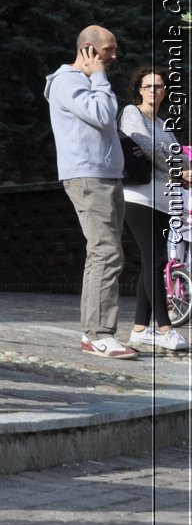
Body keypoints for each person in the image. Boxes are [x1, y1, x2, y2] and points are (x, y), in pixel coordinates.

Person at [43, 26, 137, 360]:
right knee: (106, 252)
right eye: (108, 50)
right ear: (89, 49)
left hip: (106, 176)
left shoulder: (85, 83)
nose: (114, 55)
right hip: (87, 177)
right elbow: (103, 115)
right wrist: (98, 77)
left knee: (105, 253)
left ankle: (94, 333)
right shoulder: (68, 82)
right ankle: (99, 335)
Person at [119, 65, 189, 354]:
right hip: (138, 197)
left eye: (158, 86)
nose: (153, 91)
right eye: (147, 86)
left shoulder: (163, 124)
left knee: (153, 262)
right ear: (139, 89)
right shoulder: (131, 113)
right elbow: (145, 147)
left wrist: (184, 170)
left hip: (162, 199)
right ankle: (165, 328)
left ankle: (139, 329)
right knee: (156, 260)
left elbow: (176, 156)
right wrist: (179, 170)